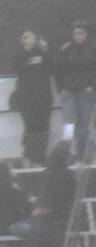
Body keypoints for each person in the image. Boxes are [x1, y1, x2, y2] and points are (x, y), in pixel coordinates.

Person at [9, 140, 77, 247]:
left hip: (38, 220)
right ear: (66, 155)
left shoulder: (45, 173)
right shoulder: (67, 174)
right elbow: (70, 196)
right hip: (55, 221)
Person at [12, 30, 55, 165]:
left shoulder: (43, 52)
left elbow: (54, 67)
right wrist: (25, 51)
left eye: (31, 36)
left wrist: (46, 50)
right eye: (25, 37)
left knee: (43, 130)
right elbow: (14, 67)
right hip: (26, 101)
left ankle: (40, 160)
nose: (28, 39)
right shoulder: (19, 54)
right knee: (30, 130)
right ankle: (28, 159)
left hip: (43, 99)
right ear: (22, 40)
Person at [56, 21, 96, 159]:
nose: (78, 36)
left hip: (86, 93)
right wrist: (61, 89)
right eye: (76, 33)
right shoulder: (65, 49)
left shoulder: (92, 49)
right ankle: (66, 155)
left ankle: (81, 155)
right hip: (69, 93)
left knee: (83, 126)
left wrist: (92, 86)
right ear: (72, 35)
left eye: (81, 33)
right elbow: (58, 70)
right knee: (69, 126)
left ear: (86, 34)